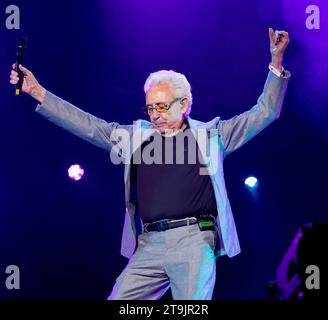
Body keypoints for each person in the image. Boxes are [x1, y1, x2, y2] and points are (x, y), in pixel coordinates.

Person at [9, 27, 290, 300]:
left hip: (194, 241)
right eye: (150, 108)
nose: (155, 115)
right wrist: (38, 92)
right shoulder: (133, 137)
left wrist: (275, 64)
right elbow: (90, 126)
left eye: (162, 106)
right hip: (148, 245)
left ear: (184, 104)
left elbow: (264, 113)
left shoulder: (212, 135)